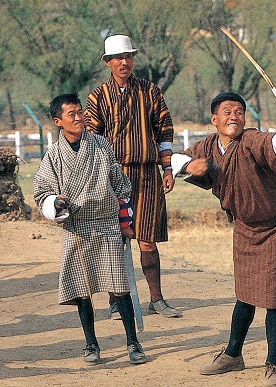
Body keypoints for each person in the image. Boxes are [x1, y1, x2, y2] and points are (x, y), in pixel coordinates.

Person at [170, 92, 276, 386]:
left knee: (273, 296)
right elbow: (175, 158)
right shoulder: (207, 146)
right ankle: (233, 355)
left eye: (240, 111)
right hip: (244, 226)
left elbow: (271, 144)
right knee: (245, 292)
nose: (234, 116)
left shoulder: (250, 139)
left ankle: (272, 365)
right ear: (214, 119)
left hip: (275, 223)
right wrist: (187, 167)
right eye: (227, 111)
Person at [33, 94, 146, 365]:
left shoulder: (100, 145)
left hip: (106, 224)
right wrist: (55, 202)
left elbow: (120, 182)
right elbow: (41, 190)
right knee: (81, 290)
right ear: (58, 121)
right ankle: (91, 345)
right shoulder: (54, 155)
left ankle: (133, 342)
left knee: (120, 287)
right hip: (76, 228)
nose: (78, 117)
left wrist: (125, 221)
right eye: (70, 114)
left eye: (79, 112)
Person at [84, 34, 181, 318]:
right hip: (113, 176)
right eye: (117, 58)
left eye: (128, 57)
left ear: (133, 59)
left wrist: (167, 168)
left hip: (148, 174)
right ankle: (117, 302)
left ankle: (157, 299)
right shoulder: (98, 97)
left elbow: (164, 132)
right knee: (115, 239)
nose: (123, 62)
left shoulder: (151, 92)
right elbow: (92, 138)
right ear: (108, 62)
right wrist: (100, 177)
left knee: (147, 239)